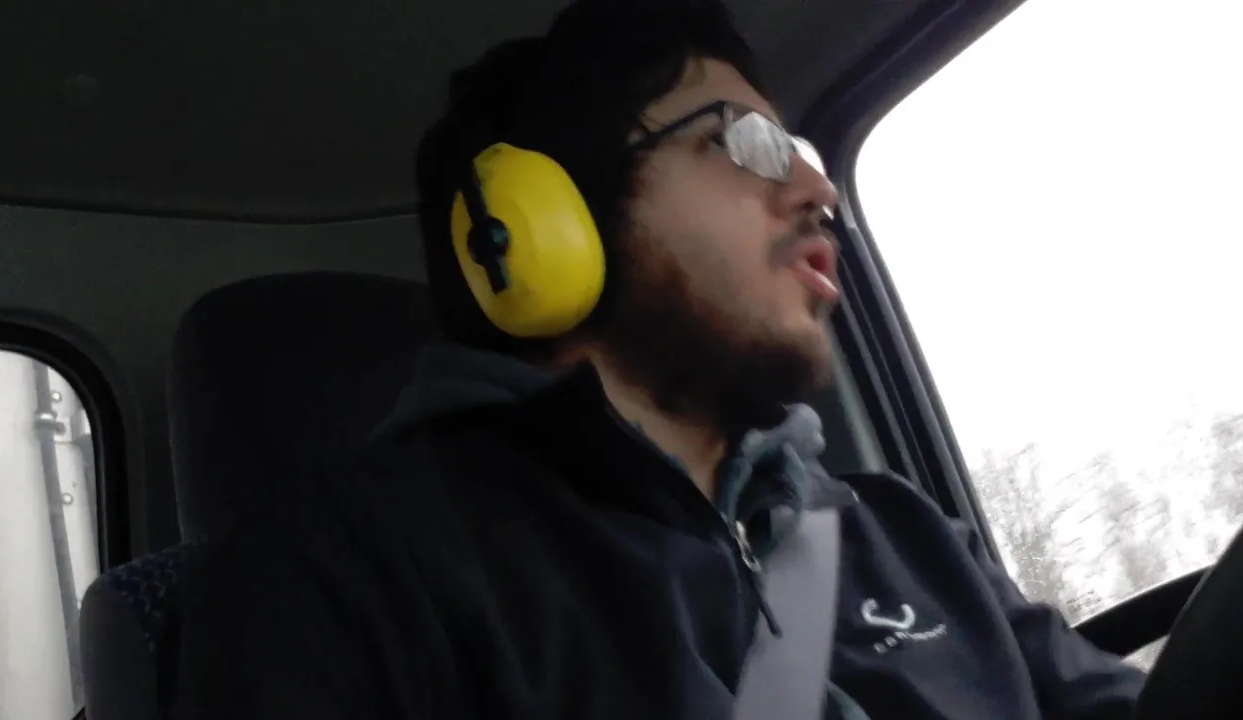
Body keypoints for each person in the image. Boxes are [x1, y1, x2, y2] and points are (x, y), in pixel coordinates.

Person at [172, 0, 1146, 718]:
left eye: (805, 151)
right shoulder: (351, 573)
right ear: (537, 224)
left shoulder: (902, 533)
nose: (817, 193)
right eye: (748, 143)